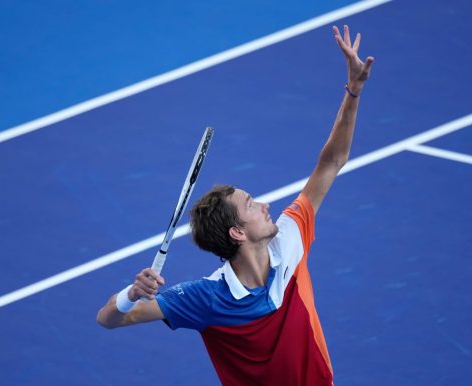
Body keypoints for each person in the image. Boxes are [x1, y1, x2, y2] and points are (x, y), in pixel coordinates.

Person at [97, 24, 374, 385]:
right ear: (237, 232)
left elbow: (331, 162)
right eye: (252, 204)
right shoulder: (205, 298)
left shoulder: (289, 239)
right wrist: (131, 295)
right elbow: (109, 319)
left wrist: (353, 91)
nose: (266, 204)